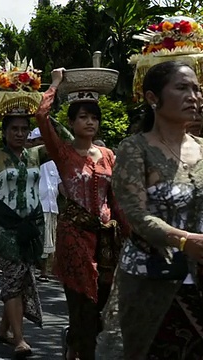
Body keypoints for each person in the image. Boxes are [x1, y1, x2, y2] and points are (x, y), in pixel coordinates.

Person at [97, 61, 203, 359]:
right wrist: (184, 241)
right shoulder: (135, 148)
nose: (193, 96)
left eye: (197, 89)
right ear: (152, 98)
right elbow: (137, 215)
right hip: (151, 276)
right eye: (182, 88)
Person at [36, 68, 128, 360]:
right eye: (83, 117)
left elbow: (116, 200)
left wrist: (130, 236)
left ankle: (75, 342)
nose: (90, 122)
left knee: (104, 304)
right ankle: (81, 345)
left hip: (106, 241)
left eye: (94, 117)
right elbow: (41, 116)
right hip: (75, 237)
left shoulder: (109, 155)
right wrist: (55, 84)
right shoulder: (62, 152)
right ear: (72, 122)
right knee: (82, 301)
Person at [0, 104, 46, 358]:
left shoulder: (36, 154)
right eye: (14, 129)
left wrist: (44, 114)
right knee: (13, 279)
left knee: (22, 278)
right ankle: (20, 339)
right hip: (6, 226)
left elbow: (65, 143)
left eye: (25, 129)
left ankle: (4, 329)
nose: (20, 133)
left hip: (33, 226)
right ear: (4, 132)